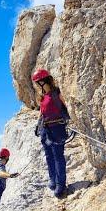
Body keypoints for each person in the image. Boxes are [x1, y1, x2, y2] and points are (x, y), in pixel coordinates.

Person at [31, 69, 71, 198]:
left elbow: (66, 108)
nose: (37, 85)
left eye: (38, 83)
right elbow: (43, 113)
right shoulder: (43, 97)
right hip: (46, 129)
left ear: (43, 81)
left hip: (57, 127)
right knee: (49, 155)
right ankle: (53, 179)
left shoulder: (56, 94)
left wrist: (70, 122)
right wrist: (39, 126)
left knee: (58, 156)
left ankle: (61, 184)